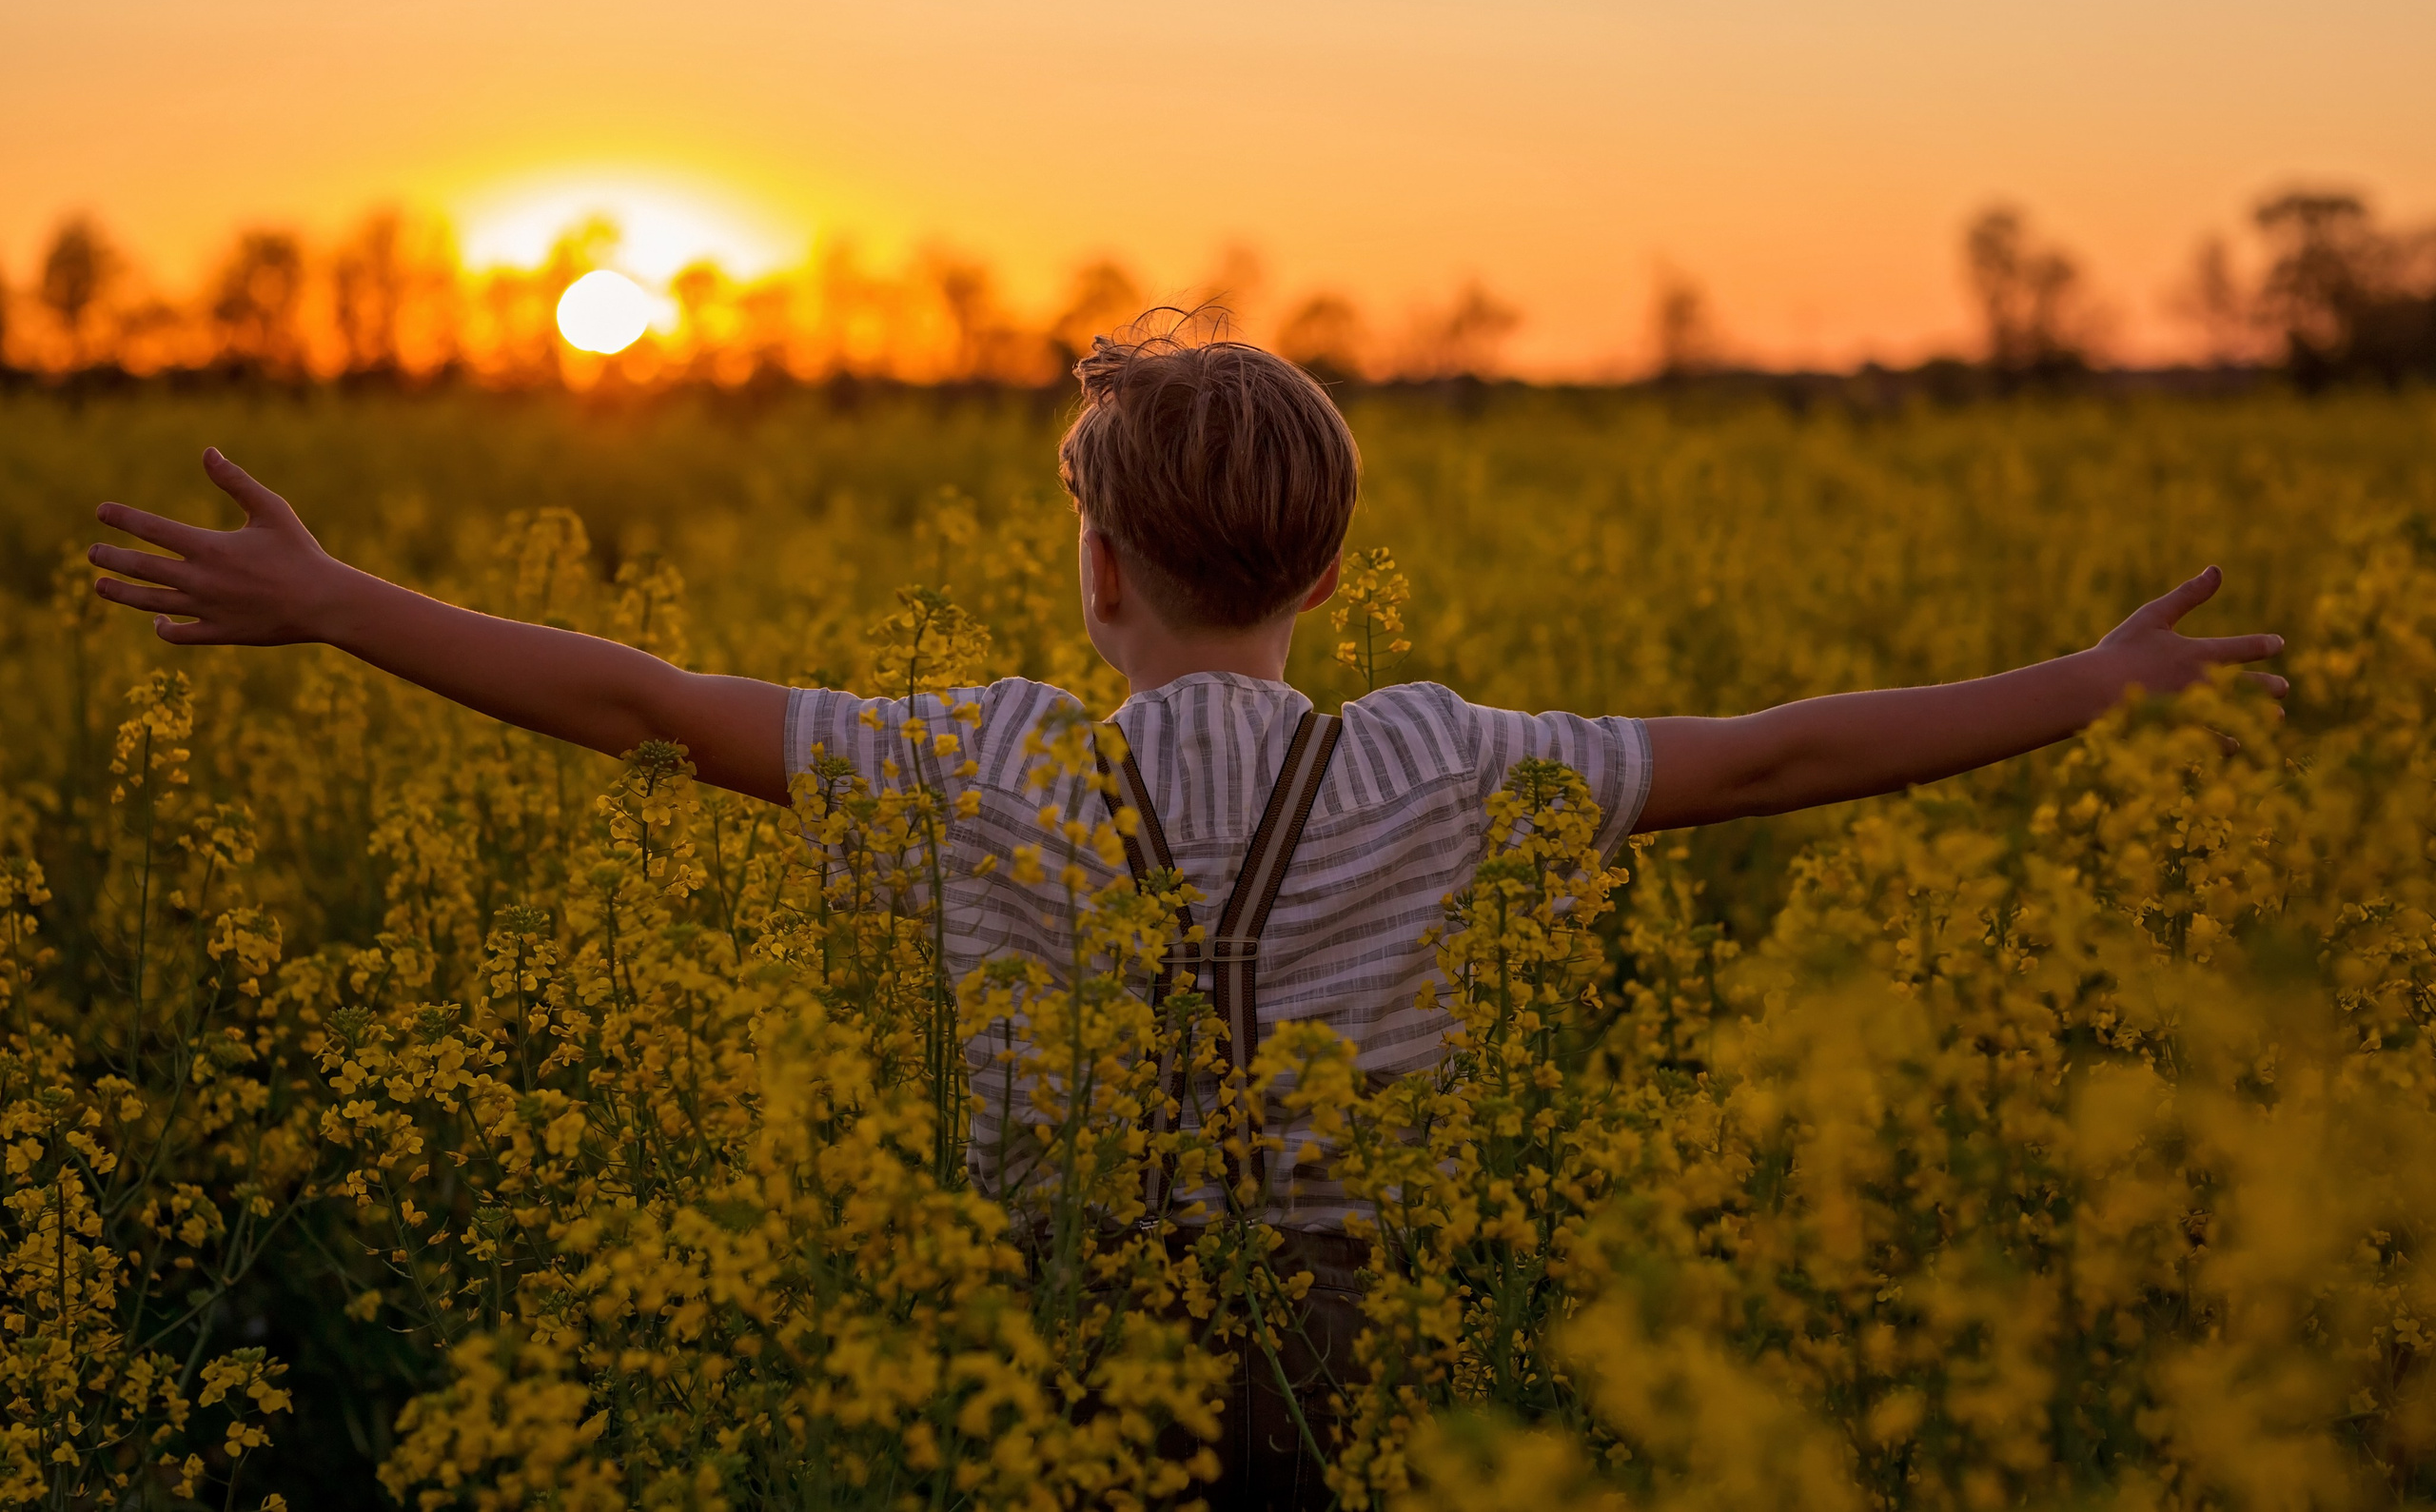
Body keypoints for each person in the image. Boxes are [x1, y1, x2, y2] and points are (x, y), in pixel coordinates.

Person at [88, 325, 2286, 1509]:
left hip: (1041, 1344)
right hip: (1370, 1367)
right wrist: (2081, 683)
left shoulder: (985, 764)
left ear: (1093, 569)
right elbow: (1786, 749)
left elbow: (636, 704)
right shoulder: (1445, 757)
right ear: (1330, 575)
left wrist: (332, 600)